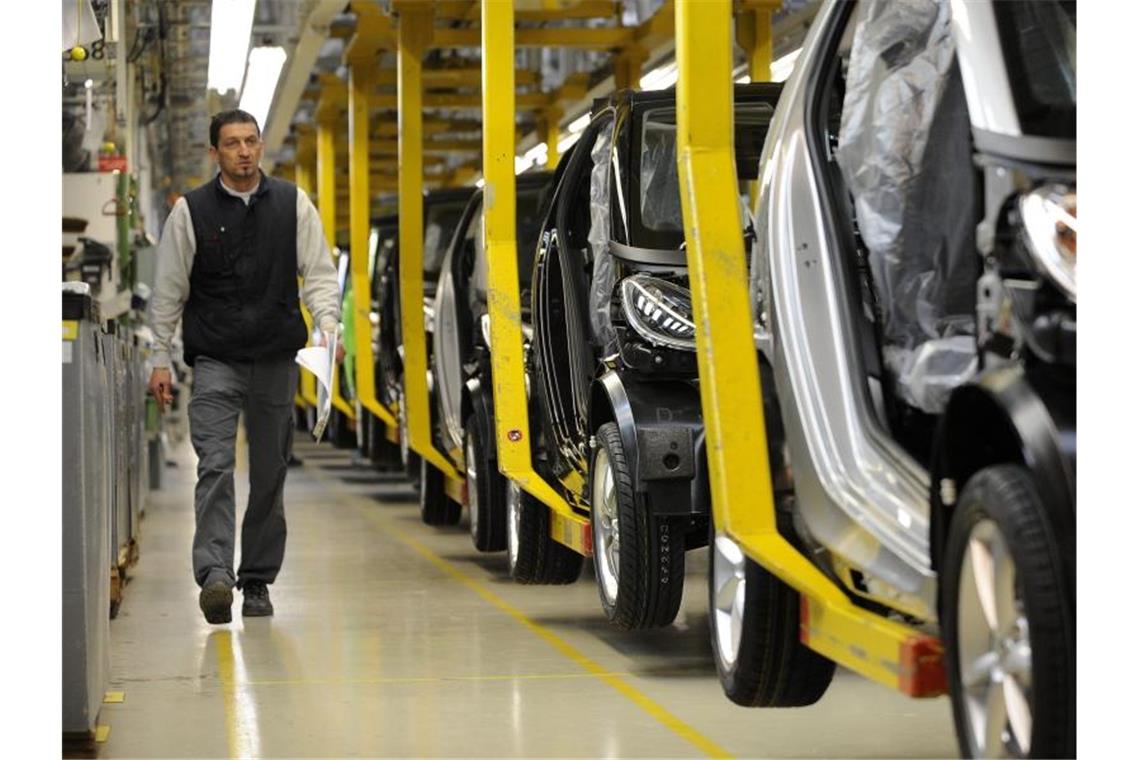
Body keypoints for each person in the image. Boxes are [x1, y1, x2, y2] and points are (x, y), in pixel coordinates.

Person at [148, 109, 343, 624]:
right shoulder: (190, 211)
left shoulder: (292, 204)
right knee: (213, 466)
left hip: (275, 360)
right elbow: (168, 293)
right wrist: (159, 358)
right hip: (216, 360)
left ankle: (256, 579)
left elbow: (320, 274)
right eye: (232, 143)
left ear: (260, 147)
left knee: (269, 473)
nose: (243, 151)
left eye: (250, 142)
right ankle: (215, 575)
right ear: (215, 152)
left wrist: (328, 326)